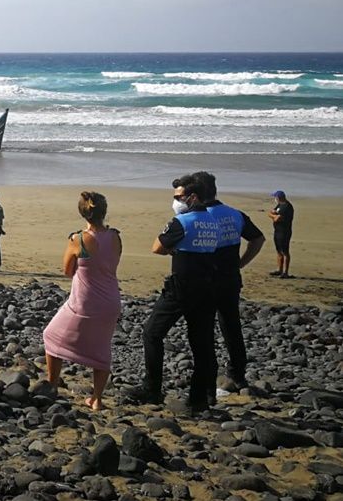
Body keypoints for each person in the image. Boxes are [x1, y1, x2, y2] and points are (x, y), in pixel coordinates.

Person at [124, 173, 220, 414]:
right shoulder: (212, 221)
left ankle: (152, 388)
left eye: (179, 196)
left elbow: (157, 247)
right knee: (201, 345)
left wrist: (175, 249)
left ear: (193, 197)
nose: (176, 201)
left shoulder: (182, 222)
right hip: (207, 287)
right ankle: (199, 398)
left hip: (181, 288)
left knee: (152, 333)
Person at [42, 192, 123, 411]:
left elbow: (68, 271)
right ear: (104, 212)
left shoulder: (78, 239)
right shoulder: (115, 236)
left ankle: (52, 384)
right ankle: (97, 398)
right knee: (101, 348)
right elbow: (112, 263)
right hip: (111, 300)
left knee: (51, 335)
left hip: (85, 300)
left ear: (82, 213)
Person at [197, 173, 263, 390]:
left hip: (206, 279)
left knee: (204, 329)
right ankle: (237, 373)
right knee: (231, 326)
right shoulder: (235, 214)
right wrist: (241, 263)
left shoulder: (199, 217)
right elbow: (258, 238)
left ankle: (208, 376)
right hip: (230, 278)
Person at [268, 190, 294, 278]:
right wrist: (274, 215)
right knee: (279, 251)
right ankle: (279, 270)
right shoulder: (280, 205)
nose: (275, 199)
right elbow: (270, 213)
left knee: (285, 251)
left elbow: (277, 219)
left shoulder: (287, 207)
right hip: (277, 231)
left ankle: (286, 272)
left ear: (278, 198)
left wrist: (274, 216)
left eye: (275, 197)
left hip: (284, 232)